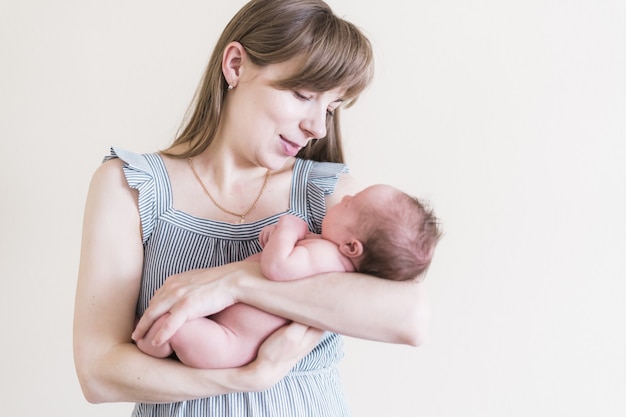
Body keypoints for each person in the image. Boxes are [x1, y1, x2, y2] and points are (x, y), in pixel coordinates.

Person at [73, 0, 433, 415]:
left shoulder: (332, 199)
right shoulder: (128, 187)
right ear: (236, 65)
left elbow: (413, 318)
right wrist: (243, 379)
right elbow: (98, 372)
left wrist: (234, 283)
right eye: (303, 95)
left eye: (330, 108)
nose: (318, 127)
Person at [136, 185, 441, 369]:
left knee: (171, 330)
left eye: (350, 203)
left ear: (352, 246)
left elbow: (277, 268)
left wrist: (290, 226)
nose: (344, 196)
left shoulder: (325, 256)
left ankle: (150, 346)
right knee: (175, 328)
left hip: (232, 341)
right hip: (232, 334)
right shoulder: (330, 256)